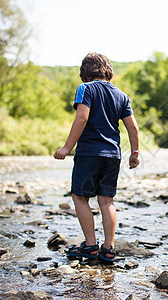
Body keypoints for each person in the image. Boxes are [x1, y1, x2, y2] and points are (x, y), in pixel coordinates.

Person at [53, 53, 140, 262]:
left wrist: (67, 147)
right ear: (107, 69)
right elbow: (133, 128)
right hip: (113, 155)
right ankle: (108, 248)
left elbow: (82, 118)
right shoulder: (122, 95)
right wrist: (135, 153)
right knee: (107, 200)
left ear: (85, 72)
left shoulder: (86, 89)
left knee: (80, 197)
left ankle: (91, 245)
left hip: (89, 153)